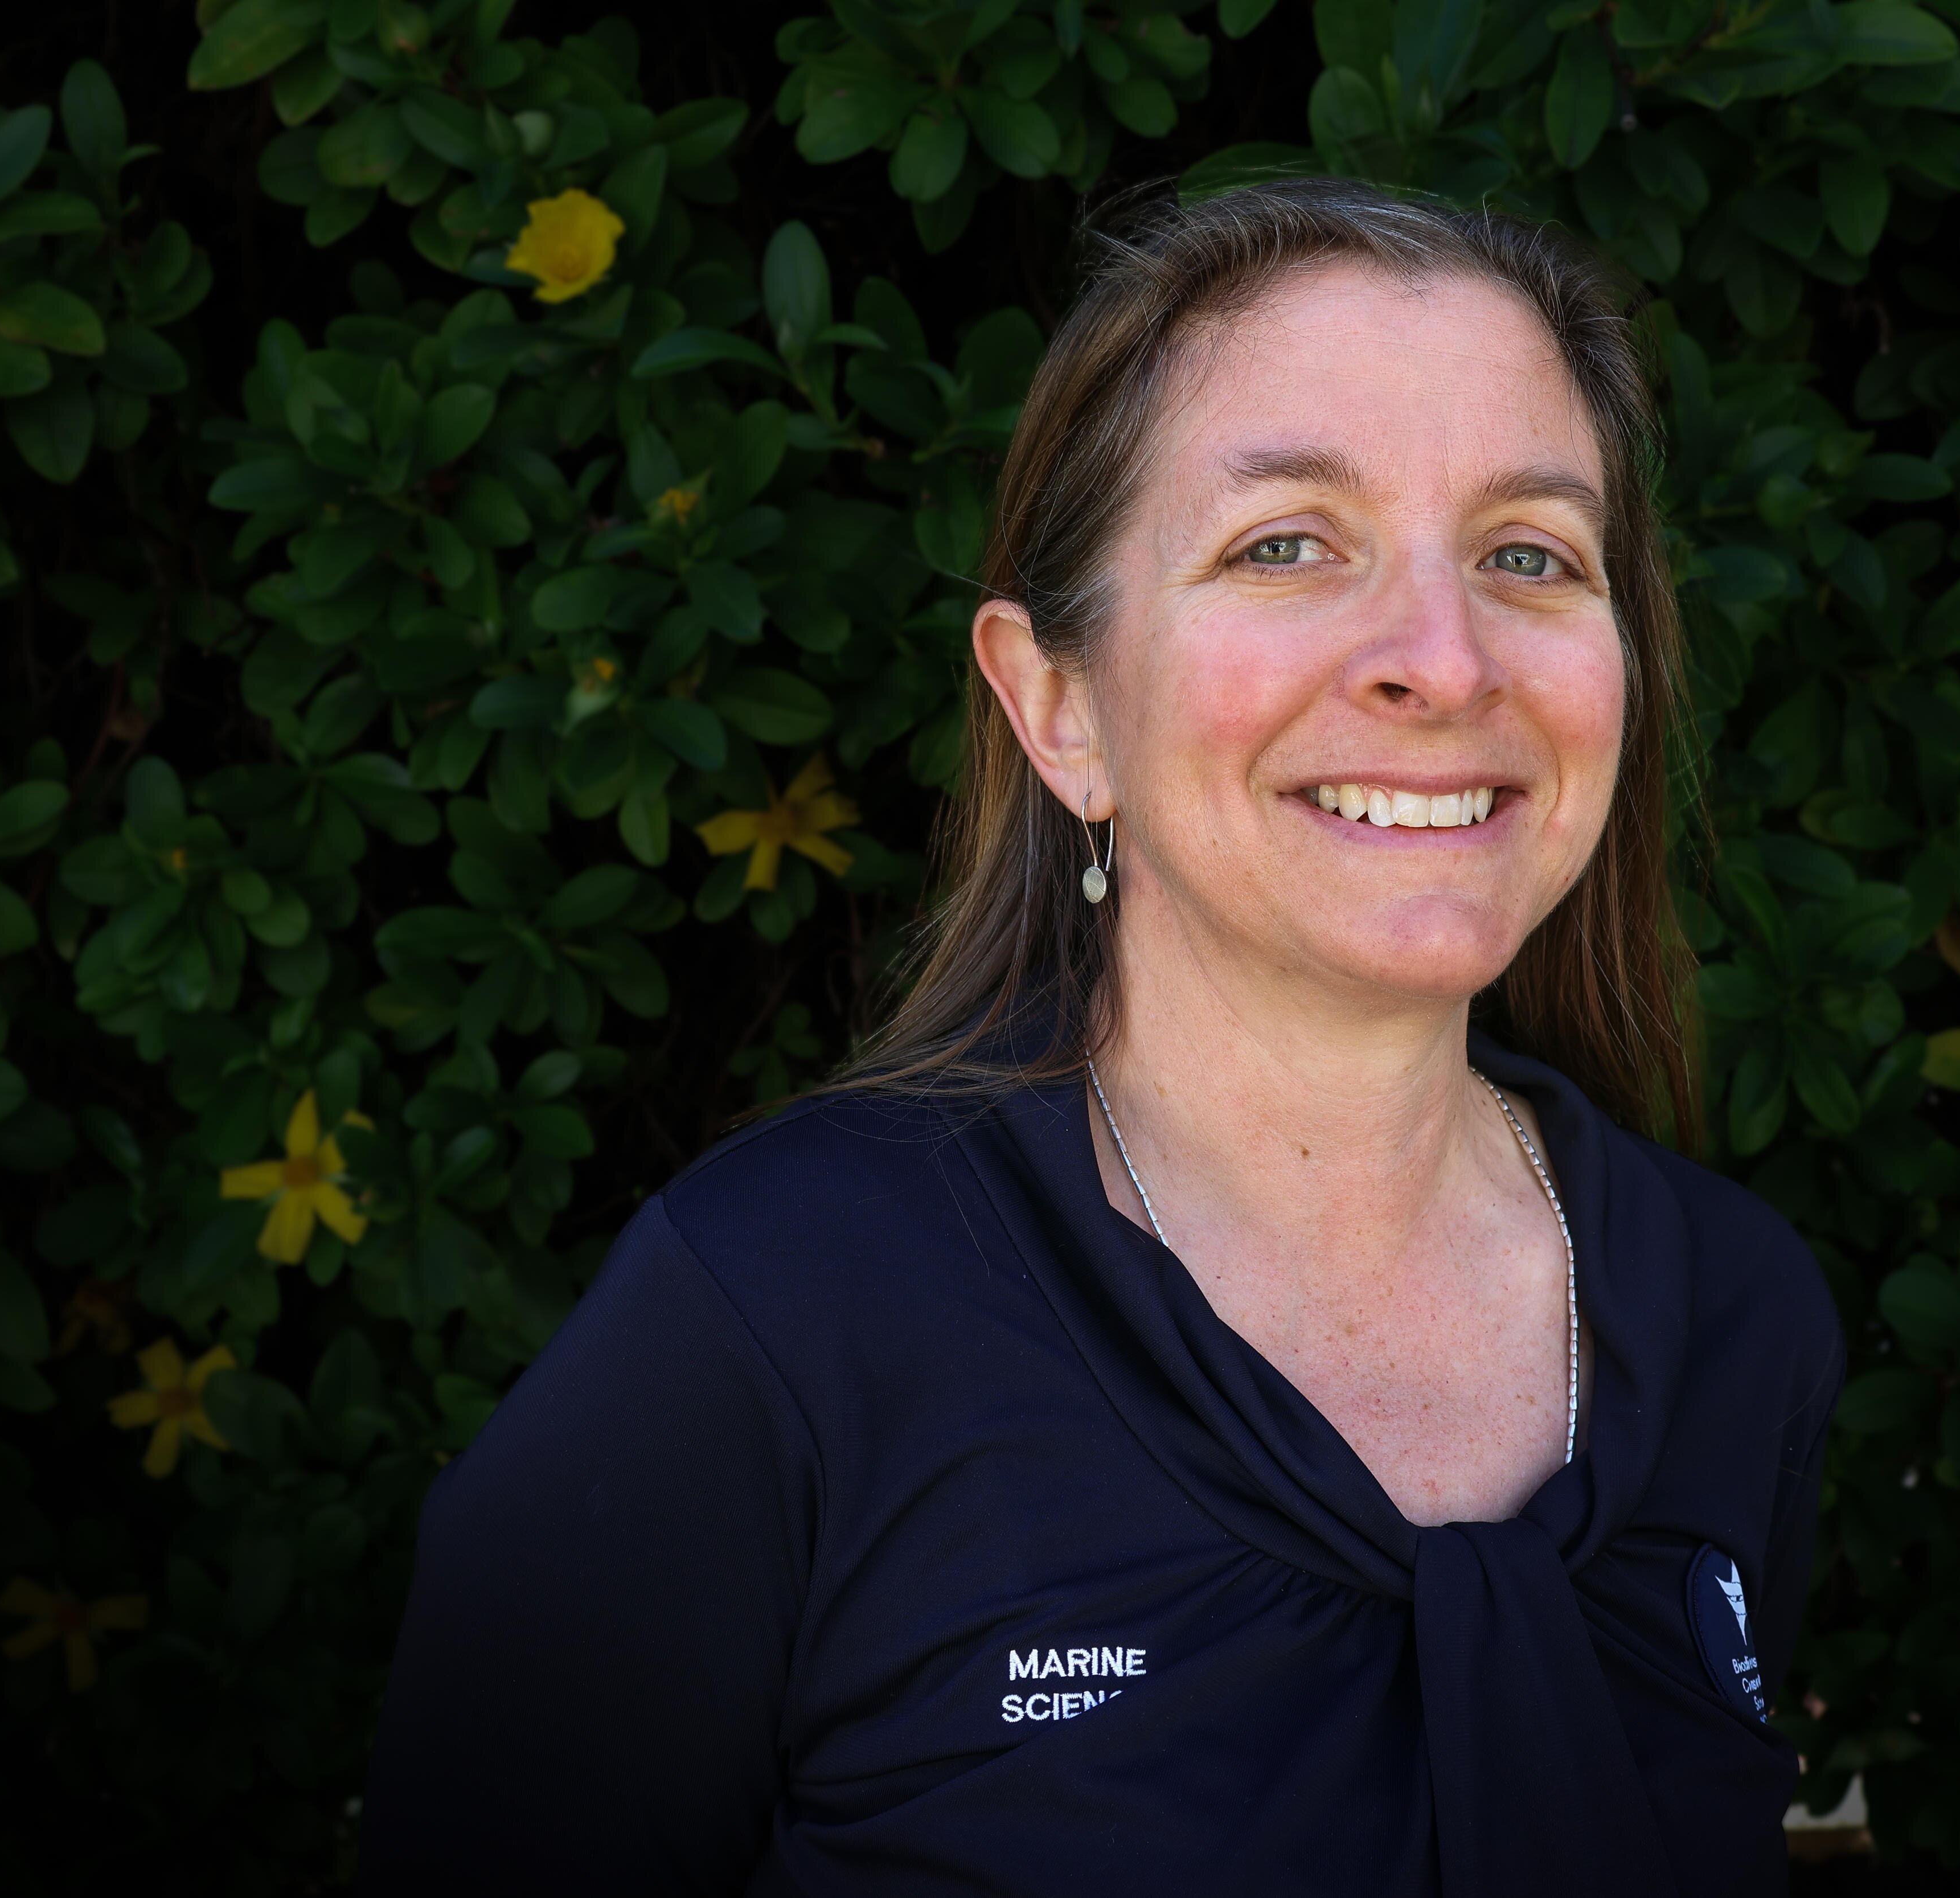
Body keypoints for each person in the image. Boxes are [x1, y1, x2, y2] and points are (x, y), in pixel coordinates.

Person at [359, 177, 1842, 1896]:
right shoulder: (780, 1321)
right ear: (1058, 705)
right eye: (1286, 542)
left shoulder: (1736, 1321)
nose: (1443, 661)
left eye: (1529, 554)